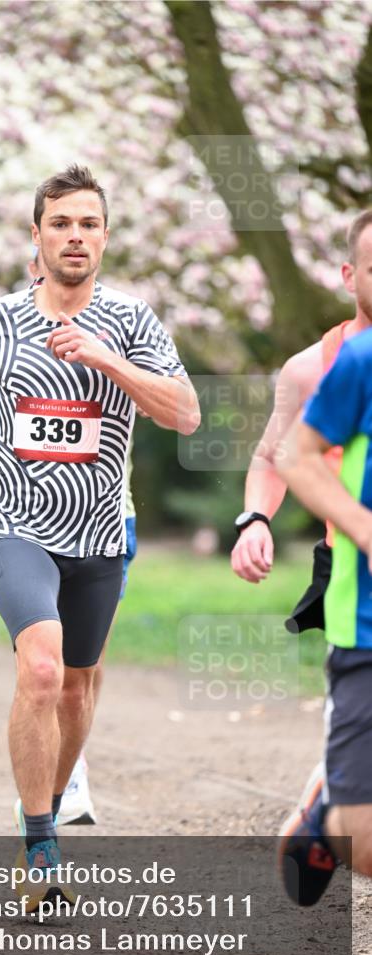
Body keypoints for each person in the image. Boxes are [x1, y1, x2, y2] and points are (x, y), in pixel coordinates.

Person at [0, 164, 200, 899]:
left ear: (104, 236)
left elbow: (184, 413)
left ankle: (47, 810)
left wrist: (105, 359)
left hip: (97, 534)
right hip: (16, 525)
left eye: (87, 223)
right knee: (39, 669)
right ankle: (39, 851)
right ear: (36, 235)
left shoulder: (130, 321)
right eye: (60, 223)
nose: (74, 236)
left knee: (74, 688)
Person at [0, 372, 138, 829]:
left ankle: (71, 763)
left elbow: (178, 409)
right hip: (27, 520)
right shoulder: (17, 330)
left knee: (84, 671)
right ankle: (46, 807)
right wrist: (15, 440)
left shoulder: (123, 330)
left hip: (107, 520)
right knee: (43, 665)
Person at [231, 209, 372, 635]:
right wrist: (255, 520)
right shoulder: (310, 369)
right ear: (350, 276)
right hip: (350, 566)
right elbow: (274, 457)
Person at [276, 325, 372, 905]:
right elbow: (287, 454)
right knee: (364, 841)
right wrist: (254, 521)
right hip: (362, 608)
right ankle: (330, 815)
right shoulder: (355, 358)